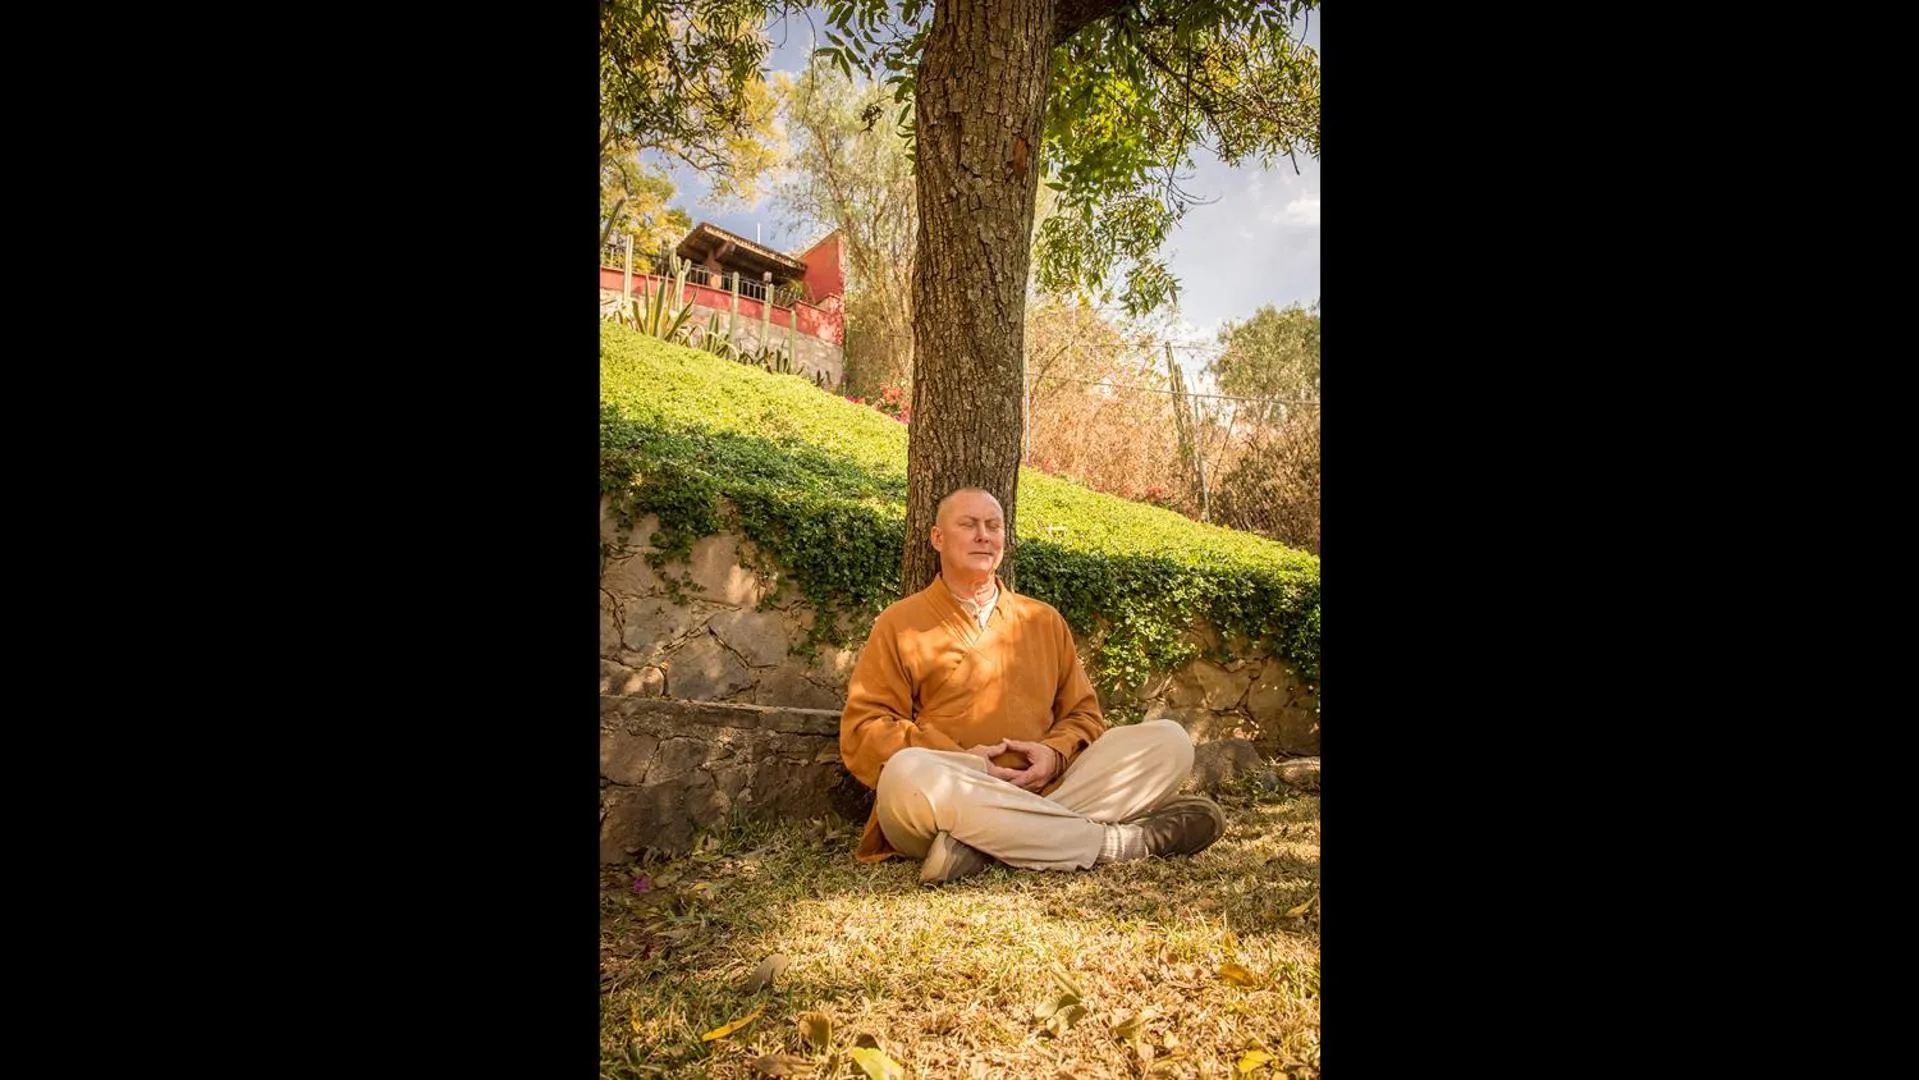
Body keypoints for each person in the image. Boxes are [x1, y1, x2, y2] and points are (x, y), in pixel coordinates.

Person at [839, 486, 1226, 885]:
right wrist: (966, 762)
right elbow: (865, 729)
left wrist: (1053, 754)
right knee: (907, 770)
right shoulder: (900, 621)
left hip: (1044, 790)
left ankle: (981, 846)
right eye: (968, 525)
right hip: (949, 796)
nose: (983, 535)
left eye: (993, 526)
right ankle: (1115, 844)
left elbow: (1084, 716)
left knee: (1170, 742)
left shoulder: (1043, 620)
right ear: (937, 537)